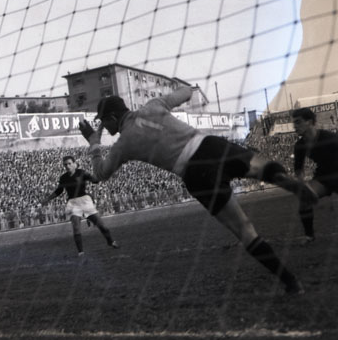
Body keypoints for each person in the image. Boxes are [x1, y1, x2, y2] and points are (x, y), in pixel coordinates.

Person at [78, 86, 318, 294]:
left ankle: (291, 281)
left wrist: (94, 144)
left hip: (195, 172)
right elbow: (186, 92)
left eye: (103, 121)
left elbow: (100, 174)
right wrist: (179, 96)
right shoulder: (153, 106)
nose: (103, 126)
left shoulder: (123, 144)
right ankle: (283, 180)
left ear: (112, 117)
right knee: (260, 167)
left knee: (244, 229)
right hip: (210, 145)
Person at [40, 155, 119, 256]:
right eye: (65, 164)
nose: (67, 166)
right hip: (73, 203)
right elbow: (59, 191)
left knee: (101, 225)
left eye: (69, 163)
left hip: (85, 201)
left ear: (74, 164)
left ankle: (110, 241)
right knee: (76, 228)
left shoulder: (81, 173)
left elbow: (94, 180)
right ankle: (80, 252)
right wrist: (47, 199)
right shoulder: (63, 178)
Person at [292, 107, 338, 242]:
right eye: (294, 123)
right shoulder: (299, 145)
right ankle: (309, 236)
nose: (295, 126)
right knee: (304, 199)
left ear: (310, 122)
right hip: (323, 177)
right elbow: (298, 169)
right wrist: (302, 186)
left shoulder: (329, 138)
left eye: (298, 122)